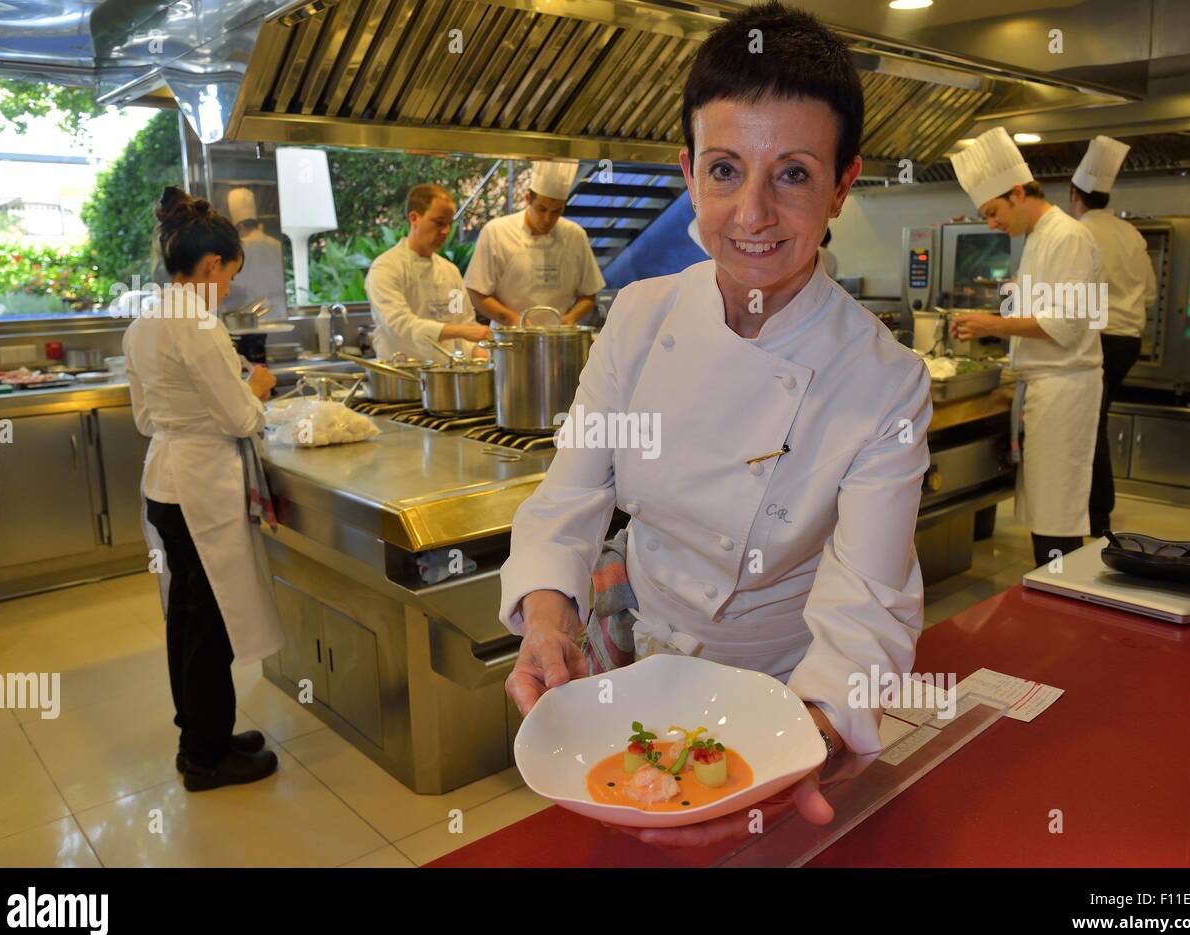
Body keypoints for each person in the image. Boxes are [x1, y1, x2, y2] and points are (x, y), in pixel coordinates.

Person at [499, 0, 930, 846]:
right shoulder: (638, 317)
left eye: (795, 174)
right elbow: (571, 498)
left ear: (844, 183)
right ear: (688, 172)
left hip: (788, 694)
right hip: (638, 673)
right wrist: (548, 620)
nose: (754, 213)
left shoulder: (885, 380)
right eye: (726, 170)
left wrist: (803, 733)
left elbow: (869, 600)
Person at [124, 186, 283, 792]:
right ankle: (207, 758)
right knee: (208, 622)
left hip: (165, 482)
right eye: (228, 277)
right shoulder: (195, 322)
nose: (226, 290)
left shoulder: (145, 321)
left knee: (187, 617)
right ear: (212, 264)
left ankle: (201, 736)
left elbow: (144, 418)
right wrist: (259, 387)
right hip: (200, 489)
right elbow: (240, 418)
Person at [949, 127, 1104, 568]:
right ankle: (1053, 585)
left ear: (1018, 192)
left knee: (1057, 503)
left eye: (993, 211)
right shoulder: (1038, 238)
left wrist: (991, 323)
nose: (991, 223)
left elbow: (1069, 325)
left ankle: (1063, 593)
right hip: (1044, 384)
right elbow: (1051, 308)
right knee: (1045, 500)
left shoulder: (1067, 236)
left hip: (1065, 386)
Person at [1068, 136, 1157, 536]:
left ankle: (1097, 514)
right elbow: (1151, 293)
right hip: (1130, 340)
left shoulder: (1077, 234)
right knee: (1098, 421)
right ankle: (1097, 510)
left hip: (1098, 340)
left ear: (1074, 194)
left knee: (1091, 425)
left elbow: (1071, 299)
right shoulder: (1131, 233)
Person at [465, 161, 605, 326]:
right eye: (541, 209)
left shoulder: (575, 235)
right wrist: (515, 321)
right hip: (510, 338)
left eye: (556, 212)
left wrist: (570, 318)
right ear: (527, 199)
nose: (547, 219)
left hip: (557, 339)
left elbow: (589, 294)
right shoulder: (496, 231)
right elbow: (476, 292)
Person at [365, 184, 489, 361]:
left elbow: (463, 321)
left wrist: (478, 353)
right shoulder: (386, 268)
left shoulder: (450, 272)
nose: (446, 231)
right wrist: (461, 331)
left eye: (449, 224)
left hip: (446, 377)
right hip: (402, 378)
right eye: (439, 223)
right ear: (414, 218)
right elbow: (401, 325)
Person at [221, 187, 288, 324]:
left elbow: (233, 288)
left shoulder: (240, 249)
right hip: (280, 314)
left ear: (239, 226)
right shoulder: (276, 244)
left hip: (252, 318)